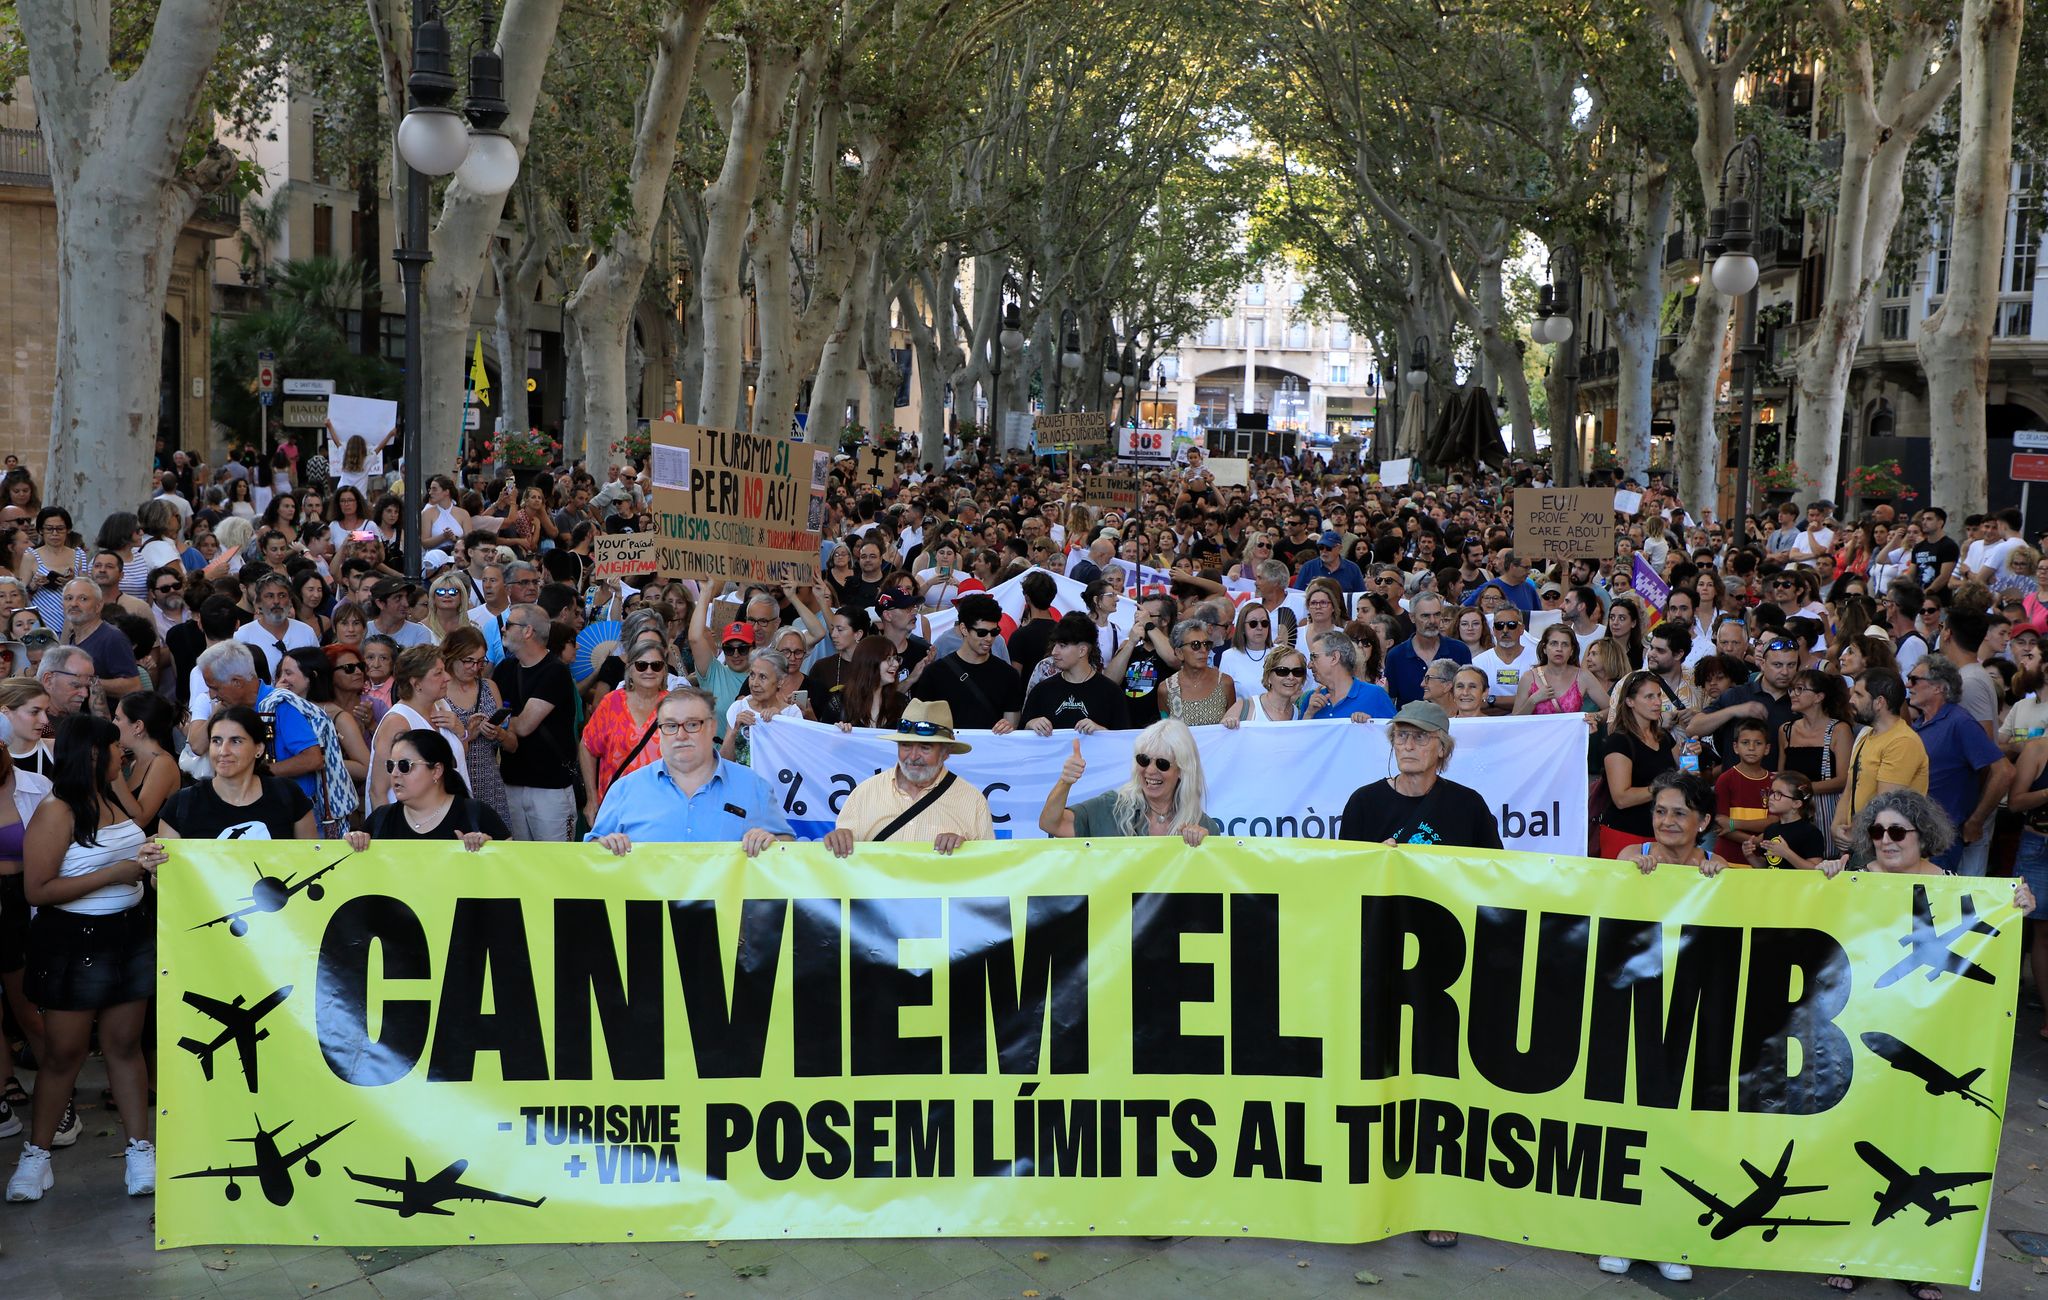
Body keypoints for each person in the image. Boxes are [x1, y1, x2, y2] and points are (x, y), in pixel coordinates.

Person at [7, 715, 163, 1203]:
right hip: (74, 940)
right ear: (94, 754)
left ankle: (141, 1150)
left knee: (124, 1044)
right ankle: (37, 1156)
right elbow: (38, 889)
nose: (125, 755)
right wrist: (113, 875)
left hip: (128, 934)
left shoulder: (114, 795)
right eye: (116, 749)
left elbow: (132, 850)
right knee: (63, 1054)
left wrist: (146, 866)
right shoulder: (56, 810)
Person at [587, 687, 792, 853]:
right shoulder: (625, 790)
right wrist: (605, 846)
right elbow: (588, 858)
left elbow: (790, 850)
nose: (681, 735)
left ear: (713, 727)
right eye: (670, 725)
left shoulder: (754, 786)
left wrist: (772, 842)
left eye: (692, 724)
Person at [824, 700, 994, 855]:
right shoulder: (864, 793)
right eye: (905, 745)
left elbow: (987, 867)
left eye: (925, 748)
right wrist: (839, 840)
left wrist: (964, 851)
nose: (913, 756)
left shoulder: (972, 802)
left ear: (945, 753)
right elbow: (844, 865)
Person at [1338, 700, 1502, 849]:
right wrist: (1375, 858)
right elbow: (1347, 872)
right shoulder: (1364, 802)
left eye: (1420, 736)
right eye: (1401, 735)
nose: (1408, 746)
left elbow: (1493, 871)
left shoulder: (1469, 805)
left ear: (1442, 748)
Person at [1908, 657, 2012, 875]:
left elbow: (2004, 771)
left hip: (1941, 839)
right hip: (1914, 833)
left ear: (1938, 687)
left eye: (1915, 679)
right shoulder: (1919, 724)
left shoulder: (1959, 722)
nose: (1909, 685)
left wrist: (1976, 820)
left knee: (1933, 905)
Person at [1038, 719, 1219, 841]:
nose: (1150, 770)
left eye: (1162, 764)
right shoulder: (1110, 807)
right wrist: (1065, 782)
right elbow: (1050, 824)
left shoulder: (1203, 826)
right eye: (1144, 760)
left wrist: (1205, 846)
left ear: (1181, 769)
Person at [158, 705, 316, 841]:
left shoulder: (288, 795)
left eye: (236, 741)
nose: (223, 751)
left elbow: (311, 862)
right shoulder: (181, 805)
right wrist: (155, 871)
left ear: (258, 748)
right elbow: (169, 874)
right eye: (216, 741)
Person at [493, 603, 578, 840]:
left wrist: (502, 723)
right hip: (512, 782)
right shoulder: (505, 669)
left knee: (556, 867)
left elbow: (524, 726)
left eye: (509, 625)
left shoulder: (556, 672)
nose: (503, 630)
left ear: (527, 631)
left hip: (550, 788)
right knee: (520, 865)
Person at [346, 728, 510, 851]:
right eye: (390, 766)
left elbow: (514, 869)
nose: (395, 774)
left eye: (405, 766)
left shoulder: (477, 814)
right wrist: (355, 842)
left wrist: (490, 849)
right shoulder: (380, 819)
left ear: (437, 770)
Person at [1833, 669, 1930, 846]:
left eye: (1858, 694)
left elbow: (1884, 803)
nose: (1851, 700)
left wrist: (1857, 834)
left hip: (1889, 844)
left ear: (1879, 702)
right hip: (1862, 840)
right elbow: (1850, 788)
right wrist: (1837, 826)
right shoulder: (1866, 734)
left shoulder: (1902, 741)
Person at [581, 632, 670, 818]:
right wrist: (591, 798)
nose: (649, 671)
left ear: (664, 671)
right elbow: (587, 746)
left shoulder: (675, 707)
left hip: (661, 809)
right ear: (630, 669)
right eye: (641, 665)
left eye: (656, 665)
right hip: (614, 806)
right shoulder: (611, 702)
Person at [367, 645, 467, 808]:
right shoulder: (397, 722)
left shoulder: (442, 705)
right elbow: (378, 791)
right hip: (411, 824)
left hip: (451, 812)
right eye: (438, 673)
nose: (448, 677)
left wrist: (461, 732)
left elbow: (454, 760)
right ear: (416, 683)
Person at [1600, 670, 1685, 857]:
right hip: (1625, 834)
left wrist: (1690, 758)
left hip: (1662, 835)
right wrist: (1665, 787)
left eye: (1658, 696)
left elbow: (1683, 776)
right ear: (1630, 701)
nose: (1657, 702)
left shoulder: (1664, 738)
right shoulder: (1618, 741)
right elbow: (1621, 798)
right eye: (1649, 697)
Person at [912, 593, 1022, 732]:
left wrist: (1007, 727)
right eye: (982, 632)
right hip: (948, 751)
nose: (989, 638)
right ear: (964, 629)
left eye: (994, 632)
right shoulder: (935, 673)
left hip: (991, 751)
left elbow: (1011, 724)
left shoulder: (1008, 675)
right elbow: (920, 723)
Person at [439, 627, 511, 829]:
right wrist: (468, 736)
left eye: (480, 661)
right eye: (468, 661)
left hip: (489, 780)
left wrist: (499, 733)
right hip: (455, 781)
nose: (475, 667)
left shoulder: (489, 687)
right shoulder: (439, 692)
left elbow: (512, 744)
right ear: (451, 656)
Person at [1779, 669, 1852, 851]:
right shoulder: (1786, 731)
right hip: (1793, 810)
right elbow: (1782, 776)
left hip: (1827, 811)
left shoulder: (1839, 730)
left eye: (1800, 689)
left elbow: (1844, 780)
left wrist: (1802, 790)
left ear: (1818, 697)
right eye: (1792, 690)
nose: (1793, 695)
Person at [1022, 614, 1127, 734]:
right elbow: (1021, 737)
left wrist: (1102, 733)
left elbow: (1123, 742)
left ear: (1082, 650)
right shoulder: (1041, 691)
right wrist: (1030, 725)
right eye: (1055, 645)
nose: (1054, 651)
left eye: (1062, 646)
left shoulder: (1111, 692)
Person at [59, 577, 140, 700]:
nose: (74, 604)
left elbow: (133, 686)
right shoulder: (71, 638)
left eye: (83, 599)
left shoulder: (112, 638)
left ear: (98, 606)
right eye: (69, 598)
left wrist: (87, 682)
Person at [1384, 594, 1469, 705]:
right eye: (1425, 616)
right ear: (1412, 618)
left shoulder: (1460, 650)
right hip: (1409, 720)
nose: (1432, 621)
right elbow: (1389, 701)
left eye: (1437, 615)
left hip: (1451, 721)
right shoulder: (1395, 656)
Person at [1302, 630, 1395, 721]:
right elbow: (1300, 736)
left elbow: (1394, 733)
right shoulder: (1311, 700)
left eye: (1314, 657)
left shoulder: (1375, 695)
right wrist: (1308, 714)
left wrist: (1370, 725)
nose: (1309, 665)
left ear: (1334, 658)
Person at [1713, 718, 1776, 853]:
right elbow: (1720, 825)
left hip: (1761, 861)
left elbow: (1773, 822)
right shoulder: (1725, 779)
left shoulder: (1774, 781)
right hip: (1728, 859)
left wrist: (1732, 823)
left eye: (1758, 743)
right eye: (1745, 743)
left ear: (1767, 748)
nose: (1751, 748)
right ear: (1736, 747)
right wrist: (1756, 841)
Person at [1742, 772, 1827, 869]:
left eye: (1779, 794)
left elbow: (1815, 869)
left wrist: (1786, 853)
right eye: (1772, 792)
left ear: (1796, 804)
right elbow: (1768, 866)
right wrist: (1751, 856)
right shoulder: (1770, 830)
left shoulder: (1810, 832)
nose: (1771, 797)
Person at [1161, 619, 1235, 724]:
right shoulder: (1165, 689)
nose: (1203, 650)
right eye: (1195, 645)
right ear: (1179, 652)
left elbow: (1233, 729)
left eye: (1206, 644)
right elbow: (1167, 731)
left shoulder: (1225, 683)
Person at [1223, 646, 1310, 725]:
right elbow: (1218, 738)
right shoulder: (1245, 708)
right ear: (1268, 676)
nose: (1291, 677)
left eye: (1297, 672)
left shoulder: (1299, 715)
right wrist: (1227, 724)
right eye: (1282, 671)